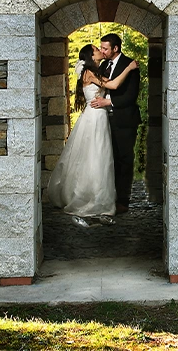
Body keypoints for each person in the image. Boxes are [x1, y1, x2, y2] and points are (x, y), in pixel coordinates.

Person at [48, 43, 137, 227]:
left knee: (98, 156)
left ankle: (98, 194)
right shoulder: (90, 72)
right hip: (95, 117)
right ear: (91, 55)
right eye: (97, 50)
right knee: (95, 156)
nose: (100, 51)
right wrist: (129, 68)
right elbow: (113, 84)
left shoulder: (94, 70)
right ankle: (92, 197)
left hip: (97, 116)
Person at [89, 33, 142, 215]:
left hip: (124, 119)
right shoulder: (103, 65)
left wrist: (108, 102)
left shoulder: (131, 66)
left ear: (115, 48)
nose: (102, 51)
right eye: (101, 48)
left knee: (124, 160)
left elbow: (131, 96)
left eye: (105, 48)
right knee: (106, 159)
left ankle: (123, 201)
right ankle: (107, 197)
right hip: (103, 120)